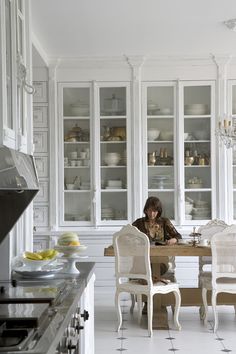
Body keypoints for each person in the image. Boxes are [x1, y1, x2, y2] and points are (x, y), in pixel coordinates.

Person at [132, 196, 182, 276]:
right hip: (143, 258)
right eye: (149, 210)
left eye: (154, 211)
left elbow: (178, 236)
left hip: (161, 258)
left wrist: (174, 239)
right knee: (141, 266)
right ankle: (149, 283)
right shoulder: (139, 223)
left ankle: (150, 283)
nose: (152, 214)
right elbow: (127, 235)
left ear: (159, 211)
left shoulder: (164, 222)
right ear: (146, 210)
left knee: (154, 269)